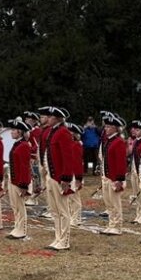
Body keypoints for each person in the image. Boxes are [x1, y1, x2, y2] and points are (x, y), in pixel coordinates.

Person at [42, 106, 75, 251]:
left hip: (59, 177)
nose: (46, 119)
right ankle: (58, 237)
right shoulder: (53, 132)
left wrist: (66, 178)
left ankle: (64, 240)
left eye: (49, 116)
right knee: (55, 210)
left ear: (56, 118)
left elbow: (68, 157)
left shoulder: (63, 133)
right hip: (51, 176)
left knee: (63, 210)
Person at [99, 113, 127, 236]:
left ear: (115, 128)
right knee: (109, 202)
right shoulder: (109, 141)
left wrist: (119, 179)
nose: (106, 129)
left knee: (115, 203)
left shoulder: (118, 141)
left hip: (114, 177)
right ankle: (111, 224)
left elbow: (121, 162)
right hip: (107, 175)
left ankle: (117, 225)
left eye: (109, 127)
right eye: (106, 127)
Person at [6, 119, 32, 240]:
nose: (11, 132)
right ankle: (17, 227)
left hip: (19, 181)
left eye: (13, 130)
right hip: (13, 179)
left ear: (20, 132)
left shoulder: (23, 145)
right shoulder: (17, 144)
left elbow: (24, 166)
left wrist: (23, 184)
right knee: (15, 206)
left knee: (20, 206)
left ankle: (22, 230)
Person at [128, 120, 141, 225]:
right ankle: (138, 214)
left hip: (140, 170)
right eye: (134, 129)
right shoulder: (136, 141)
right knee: (136, 194)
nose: (134, 131)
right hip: (134, 169)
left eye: (137, 129)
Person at [68, 123, 85, 227]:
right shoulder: (70, 144)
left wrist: (78, 177)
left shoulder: (76, 145)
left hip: (74, 174)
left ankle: (76, 218)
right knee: (70, 197)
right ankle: (72, 216)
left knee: (75, 198)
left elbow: (77, 162)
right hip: (69, 172)